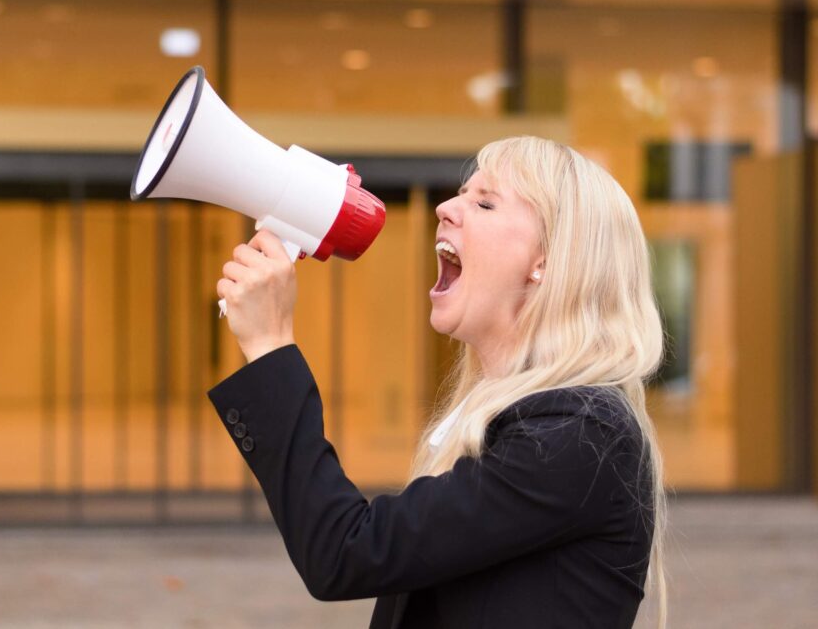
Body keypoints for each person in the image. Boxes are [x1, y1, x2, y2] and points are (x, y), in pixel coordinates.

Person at [210, 136, 667, 629]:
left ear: (548, 262)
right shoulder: (532, 425)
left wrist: (272, 347)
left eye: (485, 202)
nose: (446, 207)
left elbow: (346, 552)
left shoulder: (581, 435)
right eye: (461, 194)